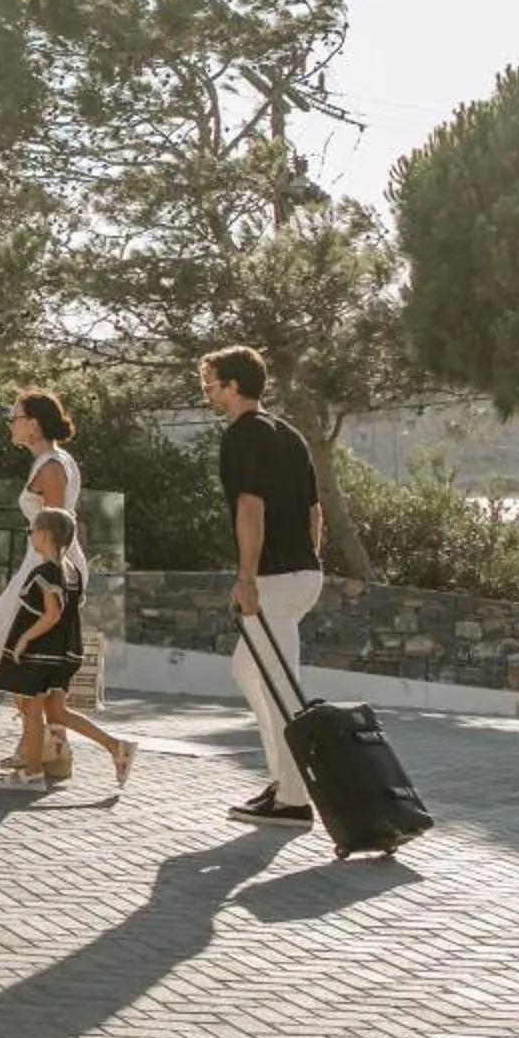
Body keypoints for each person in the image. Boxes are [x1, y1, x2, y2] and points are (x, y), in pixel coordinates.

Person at [202, 344, 325, 827]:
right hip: (302, 574)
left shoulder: (242, 436)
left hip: (272, 579)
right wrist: (307, 561)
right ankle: (283, 781)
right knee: (249, 671)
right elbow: (316, 512)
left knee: (279, 687)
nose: (207, 391)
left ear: (234, 387)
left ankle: (294, 798)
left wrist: (247, 576)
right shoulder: (288, 434)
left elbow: (250, 509)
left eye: (211, 383)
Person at [0, 389, 83, 777]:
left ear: (34, 424)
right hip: (42, 563)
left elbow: (58, 527)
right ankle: (45, 751)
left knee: (17, 652)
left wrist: (50, 577)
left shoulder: (51, 465)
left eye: (16, 416)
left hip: (48, 566)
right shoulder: (50, 462)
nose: (11, 423)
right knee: (32, 659)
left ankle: (37, 752)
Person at [0, 507, 135, 791]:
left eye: (31, 531)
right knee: (57, 713)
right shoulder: (71, 571)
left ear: (44, 535)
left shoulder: (46, 571)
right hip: (64, 654)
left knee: (33, 709)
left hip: (41, 653)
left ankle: (33, 774)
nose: (30, 535)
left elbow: (52, 614)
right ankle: (116, 747)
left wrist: (23, 639)